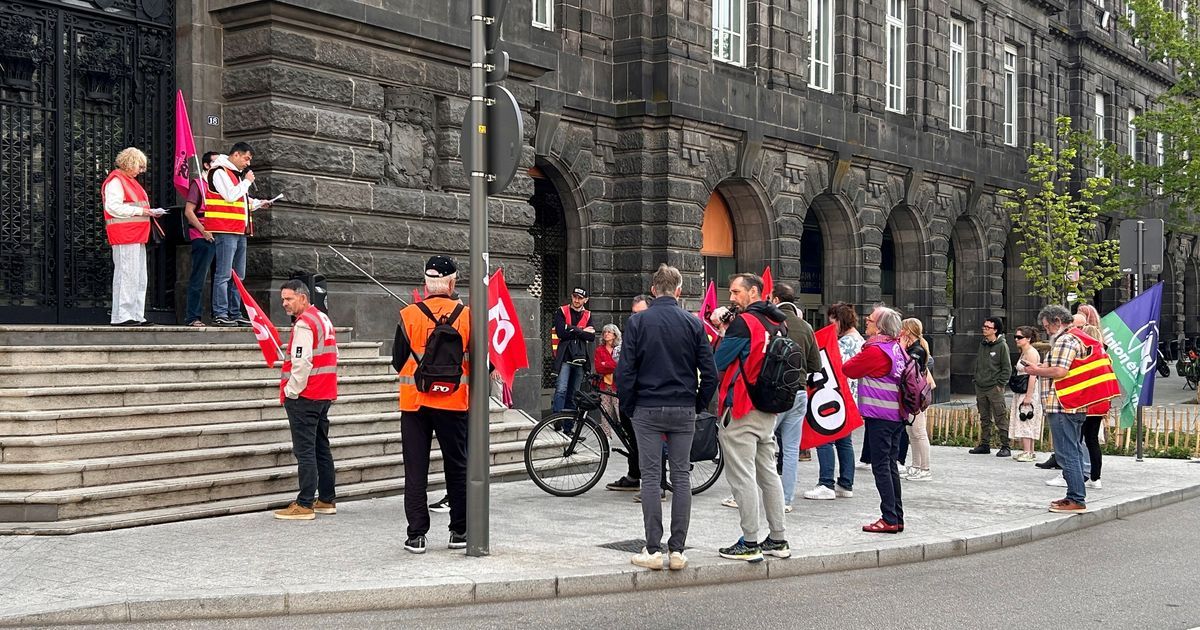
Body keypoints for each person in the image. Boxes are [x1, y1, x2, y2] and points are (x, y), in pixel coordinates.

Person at [617, 264, 717, 570]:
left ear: (652, 290)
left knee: (650, 478)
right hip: (683, 407)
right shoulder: (693, 323)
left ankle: (652, 549)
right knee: (682, 476)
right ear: (678, 291)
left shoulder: (638, 322)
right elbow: (710, 374)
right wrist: (697, 404)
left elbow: (625, 371)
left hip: (646, 407)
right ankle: (677, 550)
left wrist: (630, 406)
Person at [392, 256, 472, 553]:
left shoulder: (408, 314)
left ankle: (416, 535)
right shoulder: (467, 315)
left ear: (426, 283)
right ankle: (459, 531)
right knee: (457, 467)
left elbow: (397, 360)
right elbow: (480, 363)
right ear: (452, 282)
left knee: (415, 470)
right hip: (454, 402)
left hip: (415, 404)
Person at [712, 273, 791, 562]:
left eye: (736, 292)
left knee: (742, 476)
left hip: (743, 406)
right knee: (768, 474)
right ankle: (778, 539)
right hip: (768, 407)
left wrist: (722, 331)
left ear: (754, 292)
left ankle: (749, 542)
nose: (731, 298)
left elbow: (717, 361)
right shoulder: (779, 321)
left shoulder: (744, 323)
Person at [273, 279, 339, 520]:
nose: (284, 303)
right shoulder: (322, 318)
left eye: (289, 298)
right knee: (322, 447)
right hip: (324, 393)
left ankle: (305, 503)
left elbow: (301, 362)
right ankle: (326, 499)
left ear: (303, 297)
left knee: (305, 451)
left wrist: (291, 391)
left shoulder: (303, 324)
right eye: (283, 299)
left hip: (306, 395)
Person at [843, 305, 908, 533]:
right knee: (890, 466)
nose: (866, 323)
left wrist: (863, 348)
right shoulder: (896, 348)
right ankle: (897, 517)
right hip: (896, 415)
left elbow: (849, 369)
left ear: (880, 327)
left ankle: (889, 518)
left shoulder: (875, 351)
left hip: (881, 415)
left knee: (881, 467)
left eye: (870, 320)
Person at [1023, 305, 1089, 513]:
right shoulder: (1076, 338)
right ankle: (1074, 495)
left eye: (1047, 328)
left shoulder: (1064, 340)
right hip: (1072, 403)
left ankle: (1076, 499)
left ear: (1057, 322)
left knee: (1066, 452)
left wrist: (1036, 370)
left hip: (1062, 405)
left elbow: (1060, 370)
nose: (1046, 332)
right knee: (1074, 450)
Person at [768, 283, 822, 511]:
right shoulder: (806, 326)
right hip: (799, 391)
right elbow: (815, 365)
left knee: (762, 443)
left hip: (774, 392)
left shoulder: (772, 324)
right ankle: (786, 501)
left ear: (776, 299)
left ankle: (754, 495)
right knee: (791, 450)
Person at [205, 142, 271, 328]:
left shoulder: (235, 176)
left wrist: (258, 203)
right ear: (235, 155)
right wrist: (247, 181)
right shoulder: (219, 172)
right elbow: (231, 196)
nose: (248, 163)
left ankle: (234, 312)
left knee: (238, 275)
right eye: (246, 158)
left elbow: (241, 201)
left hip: (239, 230)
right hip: (225, 229)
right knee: (224, 274)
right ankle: (220, 313)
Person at [102, 147, 165, 326]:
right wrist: (144, 211)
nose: (141, 170)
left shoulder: (128, 181)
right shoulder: (116, 181)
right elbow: (113, 207)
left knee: (138, 276)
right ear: (130, 162)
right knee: (127, 275)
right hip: (125, 234)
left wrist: (148, 212)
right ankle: (122, 315)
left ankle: (136, 314)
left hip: (136, 234)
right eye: (140, 166)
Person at [803, 302, 860, 500]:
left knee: (825, 438)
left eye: (832, 321)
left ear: (839, 320)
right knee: (845, 441)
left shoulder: (844, 343)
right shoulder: (859, 340)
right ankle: (846, 482)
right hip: (850, 398)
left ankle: (826, 482)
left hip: (835, 395)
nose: (830, 325)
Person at [606, 297, 654, 493]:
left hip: (647, 397)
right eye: (633, 313)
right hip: (630, 395)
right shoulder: (632, 333)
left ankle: (654, 484)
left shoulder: (653, 334)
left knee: (645, 439)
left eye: (639, 313)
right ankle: (634, 475)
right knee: (632, 437)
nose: (635, 317)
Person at [182, 151, 218, 327]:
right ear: (206, 165)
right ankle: (192, 316)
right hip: (202, 235)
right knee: (199, 277)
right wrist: (203, 230)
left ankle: (219, 315)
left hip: (220, 235)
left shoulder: (221, 185)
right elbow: (189, 211)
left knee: (221, 278)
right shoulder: (199, 184)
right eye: (215, 163)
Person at [970, 316, 1013, 457]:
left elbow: (1007, 368)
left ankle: (1005, 445)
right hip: (981, 385)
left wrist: (1000, 384)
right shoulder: (983, 344)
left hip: (994, 386)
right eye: (984, 326)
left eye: (988, 327)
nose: (984, 328)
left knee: (1000, 415)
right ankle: (985, 444)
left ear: (995, 330)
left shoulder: (1002, 346)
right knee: (984, 416)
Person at [899, 318, 934, 481]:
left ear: (908, 331)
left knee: (919, 432)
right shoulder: (914, 347)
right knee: (912, 432)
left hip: (916, 396)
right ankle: (915, 465)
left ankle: (925, 468)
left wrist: (901, 347)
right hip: (912, 395)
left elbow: (908, 369)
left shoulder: (917, 350)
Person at [551, 287, 595, 413]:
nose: (576, 300)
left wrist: (570, 328)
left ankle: (568, 427)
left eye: (580, 298)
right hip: (565, 357)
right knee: (561, 390)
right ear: (572, 296)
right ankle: (557, 421)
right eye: (575, 297)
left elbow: (591, 336)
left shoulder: (588, 314)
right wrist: (581, 330)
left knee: (574, 393)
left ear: (585, 300)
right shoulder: (562, 311)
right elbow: (560, 333)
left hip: (580, 358)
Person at [1008, 325, 1044, 463]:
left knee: (1026, 418)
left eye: (1020, 337)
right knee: (1024, 418)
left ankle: (1028, 451)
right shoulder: (1024, 351)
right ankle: (1028, 451)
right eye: (1015, 337)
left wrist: (1029, 396)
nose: (1017, 340)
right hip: (1022, 388)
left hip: (1028, 389)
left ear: (1028, 339)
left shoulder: (1031, 353)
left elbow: (1033, 375)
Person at [594, 323, 622, 437]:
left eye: (609, 332)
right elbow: (598, 367)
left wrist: (606, 364)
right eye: (604, 332)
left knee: (619, 411)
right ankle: (606, 436)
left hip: (617, 385)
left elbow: (620, 366)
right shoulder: (599, 350)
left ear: (615, 335)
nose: (606, 334)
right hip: (604, 385)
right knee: (605, 412)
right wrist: (611, 365)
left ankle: (625, 433)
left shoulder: (619, 349)